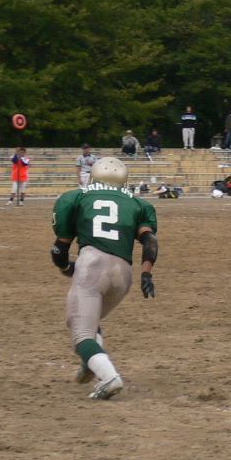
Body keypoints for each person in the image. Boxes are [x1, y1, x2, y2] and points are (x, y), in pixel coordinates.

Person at [51, 156, 158, 401]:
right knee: (91, 319)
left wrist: (66, 267)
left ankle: (109, 377)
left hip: (92, 265)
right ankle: (90, 364)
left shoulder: (76, 197)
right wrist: (147, 273)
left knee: (80, 332)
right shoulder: (138, 203)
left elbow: (59, 250)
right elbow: (150, 240)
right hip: (124, 274)